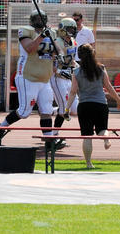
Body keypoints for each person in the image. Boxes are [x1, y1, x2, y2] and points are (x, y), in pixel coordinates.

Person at [0, 11, 57, 143]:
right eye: (37, 18)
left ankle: (49, 140)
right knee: (24, 112)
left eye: (41, 18)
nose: (39, 21)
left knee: (46, 110)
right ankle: (1, 127)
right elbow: (29, 48)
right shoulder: (26, 30)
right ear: (32, 20)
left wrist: (59, 56)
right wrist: (42, 36)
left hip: (45, 78)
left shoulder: (52, 33)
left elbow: (56, 50)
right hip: (28, 76)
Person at [65, 44, 120, 168]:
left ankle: (89, 163)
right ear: (93, 54)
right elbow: (108, 87)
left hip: (84, 105)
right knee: (102, 129)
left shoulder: (76, 72)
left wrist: (67, 108)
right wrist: (118, 100)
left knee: (87, 136)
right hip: (100, 104)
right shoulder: (101, 68)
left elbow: (73, 92)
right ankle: (106, 139)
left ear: (79, 56)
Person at [49, 17, 79, 149]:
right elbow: (51, 64)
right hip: (57, 78)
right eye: (70, 29)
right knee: (64, 110)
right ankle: (53, 137)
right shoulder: (57, 43)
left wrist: (78, 68)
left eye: (73, 29)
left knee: (75, 109)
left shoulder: (73, 42)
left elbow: (72, 61)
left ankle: (50, 110)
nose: (72, 31)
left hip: (68, 77)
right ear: (63, 29)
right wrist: (60, 72)